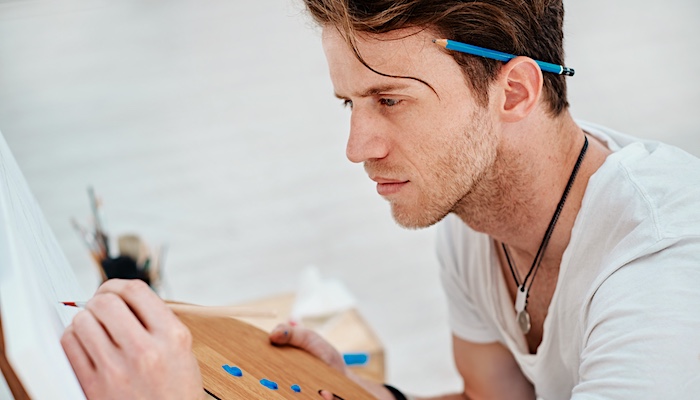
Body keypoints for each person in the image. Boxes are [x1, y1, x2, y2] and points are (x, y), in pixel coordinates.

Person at [61, 0, 700, 399]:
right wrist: (361, 396)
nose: (357, 145)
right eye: (351, 101)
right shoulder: (471, 215)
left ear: (512, 93)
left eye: (390, 100)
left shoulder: (661, 274)